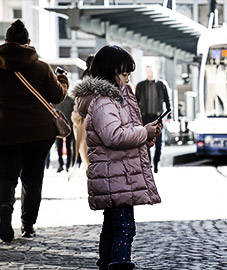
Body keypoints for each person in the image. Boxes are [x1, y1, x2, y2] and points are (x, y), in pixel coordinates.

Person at [73, 45, 162, 270]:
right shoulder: (104, 101)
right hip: (116, 174)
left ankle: (106, 263)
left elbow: (125, 131)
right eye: (123, 74)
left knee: (113, 226)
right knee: (124, 228)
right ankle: (119, 265)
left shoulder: (113, 98)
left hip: (118, 174)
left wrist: (147, 133)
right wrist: (144, 132)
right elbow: (114, 136)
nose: (127, 79)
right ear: (110, 71)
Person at [0, 20, 69, 242]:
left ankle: (4, 211)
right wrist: (63, 80)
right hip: (39, 134)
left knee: (6, 178)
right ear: (28, 43)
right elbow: (57, 96)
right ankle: (28, 225)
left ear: (6, 42)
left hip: (6, 133)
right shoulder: (41, 67)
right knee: (32, 179)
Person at [135, 66, 171, 173]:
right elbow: (135, 103)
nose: (150, 73)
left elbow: (168, 101)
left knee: (159, 143)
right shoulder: (140, 85)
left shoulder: (161, 84)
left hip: (158, 118)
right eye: (148, 72)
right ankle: (149, 164)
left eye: (151, 71)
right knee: (146, 144)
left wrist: (169, 116)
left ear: (155, 72)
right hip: (145, 118)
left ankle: (156, 163)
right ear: (145, 73)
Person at [55, 94, 75, 172]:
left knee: (60, 147)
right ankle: (66, 165)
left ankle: (62, 165)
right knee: (67, 147)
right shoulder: (71, 101)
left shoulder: (56, 101)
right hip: (68, 127)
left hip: (59, 128)